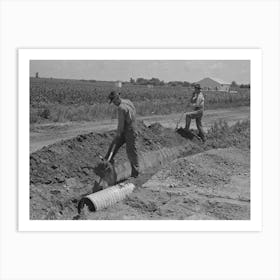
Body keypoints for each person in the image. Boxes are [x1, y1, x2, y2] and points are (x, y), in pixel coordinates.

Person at [105, 91, 139, 178]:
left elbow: (121, 125)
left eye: (114, 102)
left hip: (130, 130)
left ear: (117, 98)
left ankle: (135, 173)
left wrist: (118, 134)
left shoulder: (121, 108)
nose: (114, 104)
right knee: (114, 145)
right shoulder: (128, 101)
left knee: (131, 151)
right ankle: (106, 164)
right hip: (129, 127)